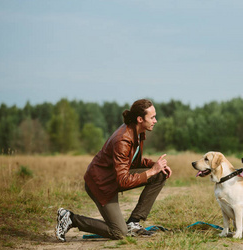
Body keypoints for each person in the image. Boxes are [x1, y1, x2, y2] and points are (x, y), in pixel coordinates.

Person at [55, 99, 172, 242]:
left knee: (160, 174)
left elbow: (133, 161)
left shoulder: (138, 132)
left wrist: (156, 165)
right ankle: (71, 219)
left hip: (114, 178)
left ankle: (133, 223)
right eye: (152, 117)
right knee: (119, 233)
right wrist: (151, 171)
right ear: (140, 119)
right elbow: (123, 181)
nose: (156, 120)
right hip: (101, 184)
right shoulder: (123, 140)